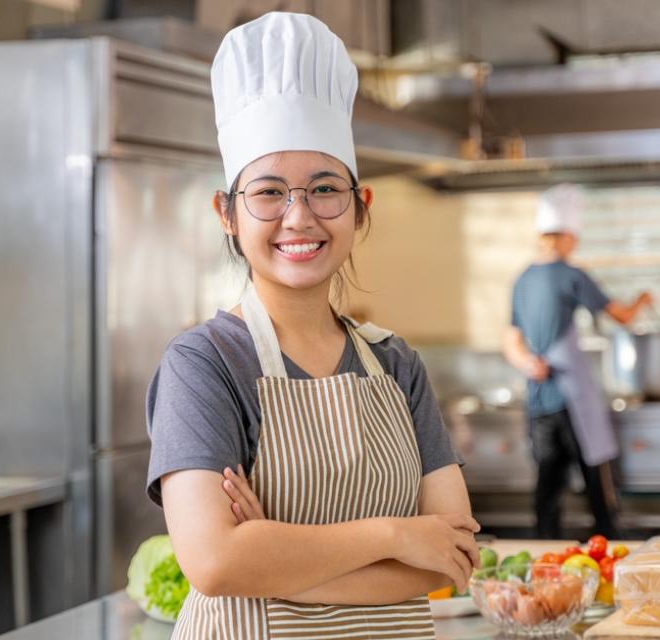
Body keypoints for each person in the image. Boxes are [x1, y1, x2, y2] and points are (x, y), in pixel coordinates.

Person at [145, 12, 479, 639]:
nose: (298, 217)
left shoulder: (397, 364)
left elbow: (454, 557)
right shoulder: (204, 363)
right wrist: (397, 535)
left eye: (325, 189)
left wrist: (273, 553)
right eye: (269, 193)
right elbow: (215, 563)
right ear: (227, 213)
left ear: (360, 206)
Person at [504, 184, 652, 540]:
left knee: (548, 490)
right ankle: (610, 557)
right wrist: (643, 300)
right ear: (567, 235)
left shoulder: (522, 279)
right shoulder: (572, 275)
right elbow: (622, 316)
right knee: (596, 489)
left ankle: (544, 563)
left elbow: (511, 340)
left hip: (540, 400)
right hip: (573, 401)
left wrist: (530, 364)